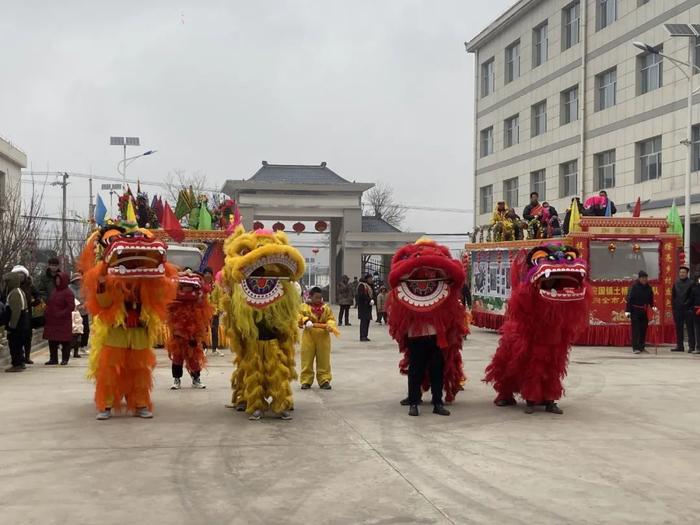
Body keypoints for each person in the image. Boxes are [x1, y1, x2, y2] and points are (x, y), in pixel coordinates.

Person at [298, 286, 338, 390]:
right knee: (307, 359)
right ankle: (306, 380)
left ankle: (324, 380)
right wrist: (306, 321)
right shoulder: (304, 307)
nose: (318, 300)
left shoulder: (326, 308)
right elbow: (298, 316)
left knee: (324, 359)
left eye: (320, 297)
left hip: (323, 337)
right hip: (309, 335)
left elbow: (331, 319)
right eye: (316, 297)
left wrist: (330, 325)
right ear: (310, 297)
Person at [42, 272, 75, 366]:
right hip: (52, 321)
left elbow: (70, 307)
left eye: (59, 280)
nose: (57, 281)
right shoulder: (54, 291)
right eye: (56, 280)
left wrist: (60, 313)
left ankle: (65, 359)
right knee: (52, 341)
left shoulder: (68, 293)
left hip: (63, 321)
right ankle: (53, 358)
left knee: (65, 341)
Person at [3, 272, 30, 372]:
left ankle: (17, 364)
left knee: (15, 345)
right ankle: (20, 362)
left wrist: (11, 325)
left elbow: (16, 312)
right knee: (19, 344)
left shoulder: (14, 293)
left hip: (17, 324)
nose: (6, 283)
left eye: (7, 281)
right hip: (22, 323)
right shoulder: (19, 291)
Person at [12, 265, 39, 364]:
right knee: (17, 336)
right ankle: (19, 356)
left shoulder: (30, 285)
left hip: (27, 313)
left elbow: (37, 296)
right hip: (15, 312)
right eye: (17, 274)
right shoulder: (12, 285)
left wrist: (32, 304)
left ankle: (27, 356)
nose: (20, 276)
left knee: (27, 336)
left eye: (21, 274)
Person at [625, 271, 656, 355]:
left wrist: (653, 307)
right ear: (639, 278)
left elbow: (651, 299)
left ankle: (642, 347)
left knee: (643, 329)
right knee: (636, 330)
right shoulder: (634, 287)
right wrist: (627, 311)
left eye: (645, 278)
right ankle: (635, 348)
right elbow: (629, 300)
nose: (644, 279)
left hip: (644, 311)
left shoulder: (648, 288)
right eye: (642, 278)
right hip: (635, 311)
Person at [671, 266, 695, 353]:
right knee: (679, 328)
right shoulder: (676, 283)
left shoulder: (691, 283)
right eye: (680, 272)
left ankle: (691, 346)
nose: (682, 274)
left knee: (690, 328)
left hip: (688, 309)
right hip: (678, 309)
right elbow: (673, 296)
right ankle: (680, 346)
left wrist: (686, 304)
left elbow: (692, 296)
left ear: (687, 273)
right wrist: (674, 308)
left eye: (684, 272)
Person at [202, 267, 225, 356]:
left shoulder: (217, 286)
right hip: (204, 311)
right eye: (206, 273)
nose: (207, 275)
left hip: (214, 311)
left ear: (212, 275)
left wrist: (220, 309)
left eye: (209, 273)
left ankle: (215, 349)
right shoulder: (201, 286)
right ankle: (204, 348)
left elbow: (220, 298)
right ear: (203, 275)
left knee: (214, 330)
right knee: (204, 331)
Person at [68, 273, 89, 357]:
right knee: (74, 331)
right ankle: (70, 348)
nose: (78, 282)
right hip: (74, 313)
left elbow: (89, 298)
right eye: (76, 280)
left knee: (86, 329)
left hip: (84, 312)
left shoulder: (85, 289)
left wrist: (85, 305)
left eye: (79, 280)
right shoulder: (69, 289)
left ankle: (83, 346)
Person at [356, 274, 374, 341]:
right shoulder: (362, 285)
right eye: (370, 278)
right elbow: (362, 295)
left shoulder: (369, 286)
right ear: (367, 279)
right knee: (364, 321)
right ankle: (362, 336)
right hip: (363, 306)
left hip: (368, 306)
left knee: (367, 321)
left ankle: (365, 335)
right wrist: (369, 300)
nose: (371, 280)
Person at [690, 274, 700, 355]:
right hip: (697, 311)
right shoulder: (694, 289)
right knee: (697, 329)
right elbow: (691, 300)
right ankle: (698, 347)